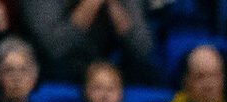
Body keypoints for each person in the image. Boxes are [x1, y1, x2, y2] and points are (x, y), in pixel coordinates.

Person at [20, 0, 155, 86]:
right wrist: (91, 4)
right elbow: (54, 48)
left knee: (149, 74)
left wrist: (113, 5)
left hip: (108, 66)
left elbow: (142, 49)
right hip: (58, 68)